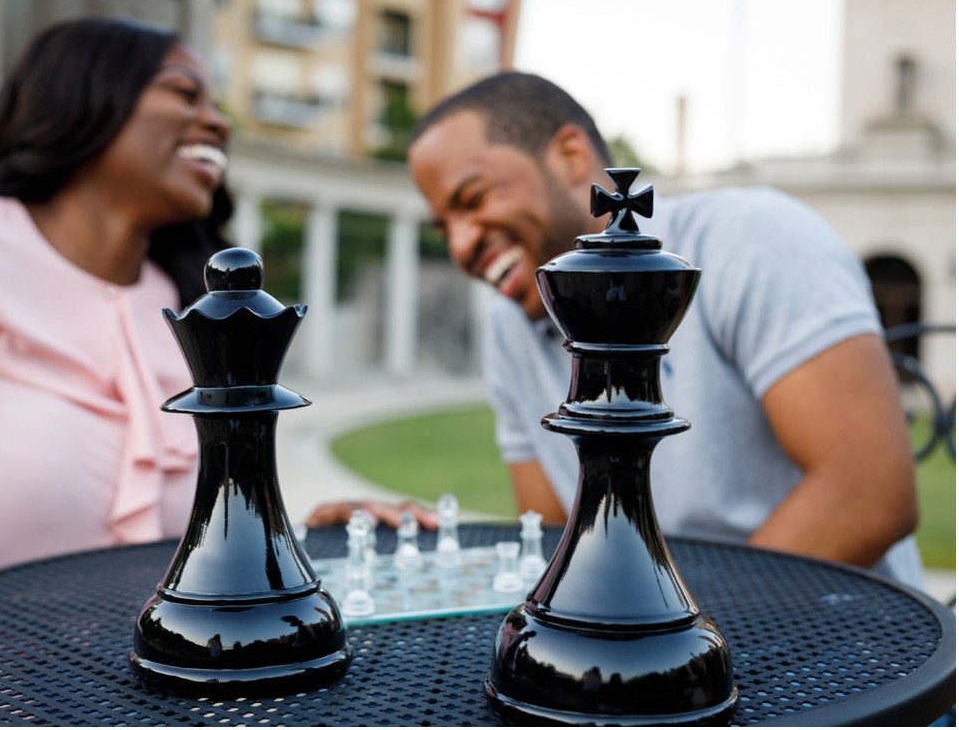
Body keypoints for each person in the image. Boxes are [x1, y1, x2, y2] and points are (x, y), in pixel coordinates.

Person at [388, 71, 920, 583]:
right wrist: (409, 543)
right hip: (652, 645)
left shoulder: (749, 239)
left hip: (842, 641)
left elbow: (868, 496)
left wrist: (678, 642)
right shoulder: (510, 324)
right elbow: (557, 539)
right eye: (444, 227)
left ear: (571, 156)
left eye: (474, 199)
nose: (459, 247)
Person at [0, 17, 233, 623]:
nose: (220, 122)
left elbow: (219, 550)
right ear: (84, 92)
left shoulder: (190, 306)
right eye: (185, 93)